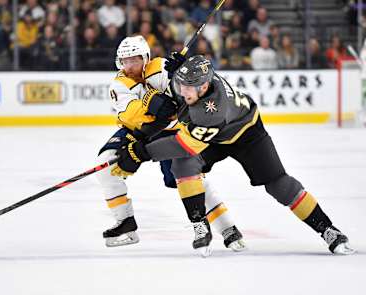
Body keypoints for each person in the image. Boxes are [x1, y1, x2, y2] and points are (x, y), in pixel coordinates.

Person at [111, 54, 355, 256]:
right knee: (183, 167)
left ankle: (327, 229)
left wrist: (141, 153)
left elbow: (184, 144)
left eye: (188, 89)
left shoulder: (213, 111)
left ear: (204, 87)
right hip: (216, 137)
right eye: (181, 86)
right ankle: (200, 225)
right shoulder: (194, 82)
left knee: (278, 185)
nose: (182, 92)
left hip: (247, 135)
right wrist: (177, 74)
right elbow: (183, 90)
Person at [96, 36, 246, 255]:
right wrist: (152, 101)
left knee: (187, 179)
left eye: (134, 59)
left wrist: (179, 75)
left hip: (173, 131)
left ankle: (228, 228)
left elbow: (188, 97)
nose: (129, 66)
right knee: (106, 166)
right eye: (125, 61)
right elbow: (134, 115)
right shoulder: (119, 84)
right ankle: (126, 223)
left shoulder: (162, 69)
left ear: (145, 58)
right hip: (139, 131)